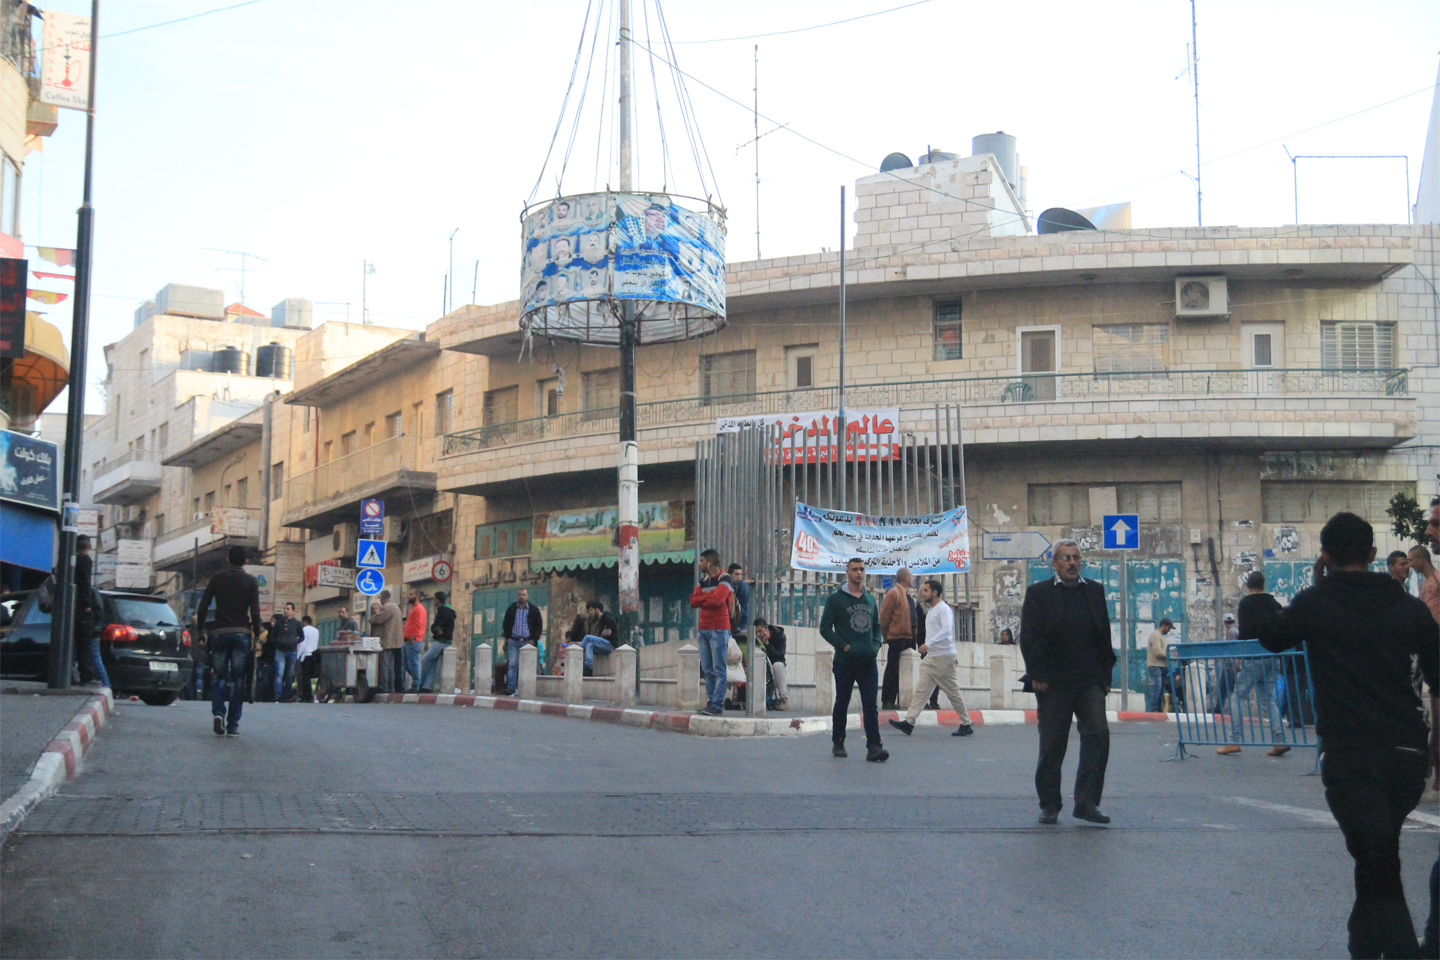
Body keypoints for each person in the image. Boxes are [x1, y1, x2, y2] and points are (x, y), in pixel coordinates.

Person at [1258, 512, 1438, 960]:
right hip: (1406, 755)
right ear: (1375, 555)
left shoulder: (1315, 602)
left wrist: (1314, 586)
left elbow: (1270, 637)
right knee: (1377, 857)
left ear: (1324, 556)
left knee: (1380, 863)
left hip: (1350, 756)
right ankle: (1362, 947)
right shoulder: (1406, 605)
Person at [1019, 538, 1116, 825]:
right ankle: (1049, 804)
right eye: (1066, 558)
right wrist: (1036, 673)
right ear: (1055, 564)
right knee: (1052, 745)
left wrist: (1105, 677)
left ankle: (1086, 803)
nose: (1072, 563)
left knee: (1098, 735)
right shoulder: (1039, 593)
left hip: (1089, 682)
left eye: (1076, 558)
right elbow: (1029, 636)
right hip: (1053, 684)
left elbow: (1104, 635)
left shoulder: (1095, 591)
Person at [820, 557, 888, 762]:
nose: (859, 572)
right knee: (842, 700)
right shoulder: (836, 599)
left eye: (862, 569)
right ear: (847, 572)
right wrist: (843, 645)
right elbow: (825, 628)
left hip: (867, 660)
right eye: (855, 569)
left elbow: (877, 626)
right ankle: (838, 741)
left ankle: (874, 746)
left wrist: (876, 645)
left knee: (870, 704)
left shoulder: (869, 599)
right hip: (845, 660)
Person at [888, 579, 975, 738]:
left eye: (926, 590)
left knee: (952, 691)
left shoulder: (943, 609)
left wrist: (928, 644)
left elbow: (947, 630)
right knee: (921, 691)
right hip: (932, 658)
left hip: (944, 657)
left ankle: (966, 722)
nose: (923, 593)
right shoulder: (931, 609)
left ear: (935, 592)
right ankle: (909, 722)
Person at [1218, 570, 1288, 756]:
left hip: (1254, 655)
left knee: (1237, 696)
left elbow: (1245, 631)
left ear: (1248, 585)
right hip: (1272, 655)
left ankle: (1234, 740)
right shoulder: (1273, 603)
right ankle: (1279, 740)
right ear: (1264, 585)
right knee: (1268, 698)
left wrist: (1241, 655)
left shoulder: (1246, 603)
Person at [195, 546, 261, 737]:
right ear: (246, 562)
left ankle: (218, 712)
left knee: (219, 676)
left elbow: (203, 606)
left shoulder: (217, 578)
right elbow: (255, 612)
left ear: (227, 559)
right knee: (239, 679)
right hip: (241, 634)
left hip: (219, 633)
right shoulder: (251, 581)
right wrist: (257, 637)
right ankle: (233, 725)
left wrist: (201, 632)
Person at [690, 549, 735, 717]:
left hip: (719, 628)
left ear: (709, 563)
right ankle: (711, 703)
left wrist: (705, 599)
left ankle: (717, 704)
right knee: (707, 669)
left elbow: (718, 600)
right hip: (703, 629)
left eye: (702, 560)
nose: (699, 564)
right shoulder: (704, 581)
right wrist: (708, 599)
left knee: (719, 669)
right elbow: (693, 601)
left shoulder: (726, 579)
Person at [72, 535, 108, 689]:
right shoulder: (85, 560)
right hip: (82, 610)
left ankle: (78, 676)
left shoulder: (71, 561)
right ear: (89, 546)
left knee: (80, 646)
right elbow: (85, 584)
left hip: (72, 607)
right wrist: (87, 605)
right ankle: (87, 677)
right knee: (85, 646)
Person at [879, 568, 916, 710]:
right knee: (892, 669)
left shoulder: (906, 594)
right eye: (911, 576)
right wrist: (885, 634)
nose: (912, 579)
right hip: (896, 637)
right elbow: (885, 616)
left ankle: (900, 698)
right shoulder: (894, 593)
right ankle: (887, 700)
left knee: (902, 669)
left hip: (906, 637)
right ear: (906, 578)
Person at [502, 587, 543, 697]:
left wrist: (534, 639)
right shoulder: (512, 609)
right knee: (512, 664)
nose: (522, 596)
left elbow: (539, 625)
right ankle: (510, 688)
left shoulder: (533, 610)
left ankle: (526, 688)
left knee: (527, 666)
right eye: (520, 594)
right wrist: (508, 637)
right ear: (517, 596)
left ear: (527, 596)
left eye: (524, 594)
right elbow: (506, 623)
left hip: (527, 642)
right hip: (514, 641)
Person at [568, 599, 617, 677]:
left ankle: (575, 657)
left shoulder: (607, 618)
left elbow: (608, 633)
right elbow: (601, 635)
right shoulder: (598, 620)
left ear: (597, 610)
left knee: (587, 638)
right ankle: (588, 669)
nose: (590, 613)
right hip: (603, 644)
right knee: (589, 645)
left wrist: (604, 634)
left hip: (609, 645)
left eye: (591, 610)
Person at [419, 591, 455, 693]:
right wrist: (435, 628)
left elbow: (436, 626)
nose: (433, 601)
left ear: (438, 600)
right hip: (443, 641)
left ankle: (421, 682)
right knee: (433, 664)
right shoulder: (445, 610)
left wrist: (436, 629)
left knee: (425, 659)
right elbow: (435, 627)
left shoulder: (445, 612)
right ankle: (428, 685)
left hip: (441, 642)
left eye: (434, 599)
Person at [370, 591, 404, 693]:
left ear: (382, 598)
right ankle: (391, 687)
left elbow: (377, 619)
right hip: (395, 642)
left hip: (387, 641)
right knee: (391, 667)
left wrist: (372, 617)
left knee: (384, 666)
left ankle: (384, 687)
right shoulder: (396, 607)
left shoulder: (387, 607)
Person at [753, 618, 788, 711]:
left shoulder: (780, 636)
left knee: (778, 665)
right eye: (756, 632)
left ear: (767, 629)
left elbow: (780, 656)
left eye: (760, 631)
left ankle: (783, 699)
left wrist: (767, 644)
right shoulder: (755, 639)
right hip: (760, 664)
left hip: (775, 664)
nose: (758, 634)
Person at [270, 602, 302, 702]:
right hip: (280, 651)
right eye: (285, 609)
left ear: (293, 610)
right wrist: (279, 642)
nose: (286, 611)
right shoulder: (279, 623)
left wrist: (294, 642)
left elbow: (302, 636)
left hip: (292, 652)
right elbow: (272, 636)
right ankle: (278, 696)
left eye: (288, 609)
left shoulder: (296, 623)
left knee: (290, 675)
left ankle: (286, 696)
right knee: (279, 673)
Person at [1145, 618, 1175, 713]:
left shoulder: (1162, 637)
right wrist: (1169, 656)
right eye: (1169, 628)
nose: (1169, 630)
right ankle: (1154, 709)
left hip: (1162, 666)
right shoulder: (1155, 635)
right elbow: (1158, 652)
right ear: (1164, 626)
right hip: (1155, 665)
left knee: (1161, 688)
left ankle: (1159, 708)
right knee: (1157, 687)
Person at [403, 589, 428, 693]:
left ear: (417, 595)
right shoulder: (412, 609)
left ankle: (416, 685)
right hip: (408, 640)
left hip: (414, 640)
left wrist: (414, 636)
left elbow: (419, 624)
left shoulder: (419, 609)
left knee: (413, 663)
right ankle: (416, 681)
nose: (408, 596)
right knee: (405, 663)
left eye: (411, 594)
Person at [1409, 544, 1439, 623]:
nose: (1409, 565)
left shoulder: (1438, 578)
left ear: (1420, 560)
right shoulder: (1422, 585)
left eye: (1410, 560)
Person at [295, 615, 320, 703]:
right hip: (313, 655)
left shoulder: (304, 630)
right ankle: (309, 696)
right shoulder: (316, 630)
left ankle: (306, 696)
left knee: (304, 677)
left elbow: (302, 644)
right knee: (309, 677)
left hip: (305, 655)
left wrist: (298, 656)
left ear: (304, 621)